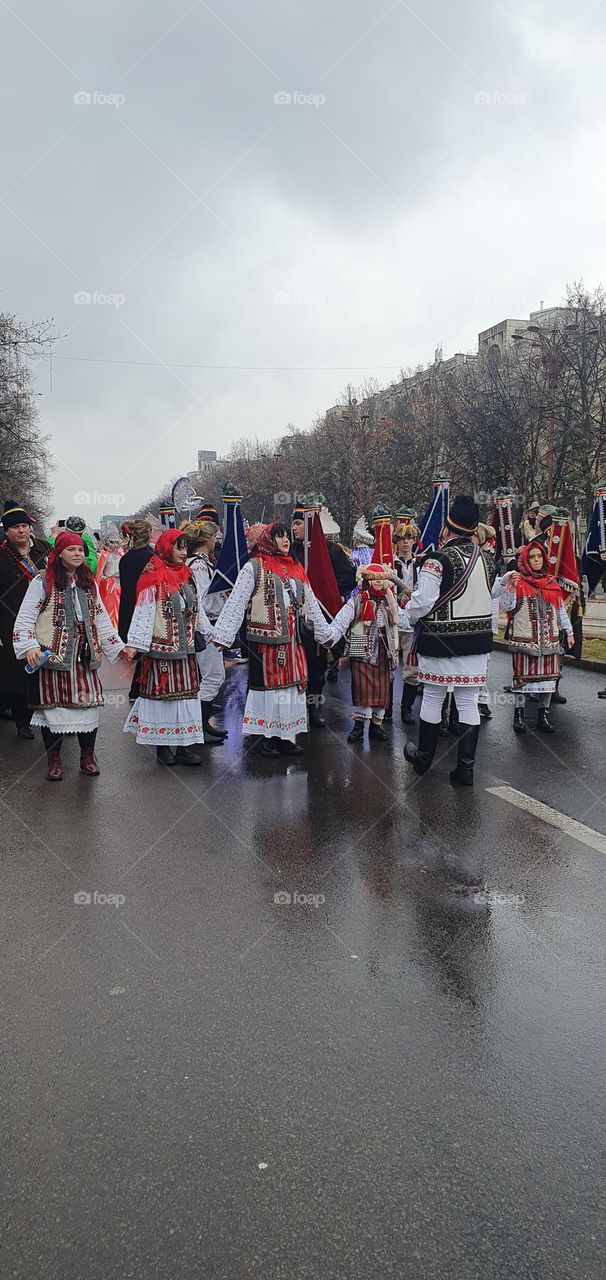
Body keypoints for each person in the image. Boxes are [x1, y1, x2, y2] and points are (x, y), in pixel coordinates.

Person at [13, 530, 134, 780]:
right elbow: (26, 617)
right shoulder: (42, 581)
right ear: (59, 554)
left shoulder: (88, 581)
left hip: (84, 654)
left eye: (80, 549)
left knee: (88, 708)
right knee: (53, 710)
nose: (78, 553)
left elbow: (100, 616)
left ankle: (87, 757)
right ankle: (54, 761)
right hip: (54, 655)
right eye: (71, 549)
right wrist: (30, 647)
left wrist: (117, 647)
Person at [211, 522, 332, 758]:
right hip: (266, 641)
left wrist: (325, 633)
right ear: (268, 540)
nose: (285, 540)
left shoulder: (296, 568)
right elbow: (237, 601)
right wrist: (223, 635)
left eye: (287, 535)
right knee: (269, 688)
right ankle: (267, 737)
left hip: (293, 639)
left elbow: (311, 603)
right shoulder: (254, 567)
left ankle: (285, 736)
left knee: (292, 687)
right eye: (279, 536)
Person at [401, 495, 496, 787]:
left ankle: (423, 759)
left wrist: (408, 612)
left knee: (433, 696)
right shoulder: (487, 560)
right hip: (478, 644)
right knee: (468, 701)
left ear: (448, 525)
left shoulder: (437, 561)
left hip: (441, 642)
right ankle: (465, 770)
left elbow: (422, 603)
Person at [123, 529, 213, 767]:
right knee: (163, 700)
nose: (184, 553)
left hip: (186, 649)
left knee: (186, 699)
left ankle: (184, 746)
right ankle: (163, 748)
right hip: (162, 649)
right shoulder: (152, 574)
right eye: (179, 547)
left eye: (186, 548)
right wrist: (135, 643)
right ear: (166, 547)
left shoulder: (187, 574)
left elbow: (197, 607)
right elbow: (143, 611)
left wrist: (211, 632)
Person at [498, 540, 574, 734]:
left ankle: (543, 716)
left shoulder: (551, 582)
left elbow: (560, 609)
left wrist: (569, 631)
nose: (536, 560)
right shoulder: (519, 582)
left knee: (548, 681)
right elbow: (507, 606)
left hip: (549, 639)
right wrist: (509, 585)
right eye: (532, 557)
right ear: (526, 560)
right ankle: (519, 715)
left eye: (539, 556)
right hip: (525, 640)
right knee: (522, 681)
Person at [321, 563, 400, 743]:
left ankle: (376, 727)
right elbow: (342, 620)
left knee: (382, 689)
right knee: (362, 688)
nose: (378, 582)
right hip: (361, 645)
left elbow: (401, 620)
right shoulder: (357, 600)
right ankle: (358, 727)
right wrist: (330, 634)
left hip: (385, 648)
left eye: (381, 579)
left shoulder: (389, 600)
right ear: (366, 580)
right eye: (374, 579)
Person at [290, 504, 355, 721]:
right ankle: (295, 708)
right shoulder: (290, 551)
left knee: (317, 663)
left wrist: (329, 591)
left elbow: (349, 576)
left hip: (320, 616)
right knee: (297, 662)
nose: (294, 528)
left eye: (298, 523)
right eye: (293, 523)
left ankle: (314, 706)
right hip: (295, 617)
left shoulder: (332, 550)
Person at [0, 499, 50, 738]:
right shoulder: (2, 555)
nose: (21, 530)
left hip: (44, 620)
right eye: (15, 527)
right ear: (6, 531)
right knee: (18, 672)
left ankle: (55, 717)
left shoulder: (43, 549)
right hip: (10, 621)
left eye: (24, 525)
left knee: (46, 668)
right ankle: (22, 722)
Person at [184, 519, 228, 743]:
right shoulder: (199, 565)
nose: (217, 541)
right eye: (215, 537)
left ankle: (201, 723)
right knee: (213, 676)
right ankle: (198, 725)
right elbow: (200, 600)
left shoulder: (202, 562)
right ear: (207, 539)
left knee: (209, 675)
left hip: (209, 623)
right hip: (206, 624)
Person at [118, 520, 155, 702]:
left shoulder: (125, 558)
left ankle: (138, 688)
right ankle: (138, 688)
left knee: (139, 651)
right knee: (147, 651)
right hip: (143, 606)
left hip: (127, 605)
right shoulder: (150, 556)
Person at [393, 522, 420, 724]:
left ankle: (406, 709)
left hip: (412, 624)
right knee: (388, 667)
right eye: (402, 539)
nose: (405, 542)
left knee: (412, 670)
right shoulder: (390, 564)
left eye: (409, 538)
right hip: (392, 623)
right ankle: (384, 711)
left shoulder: (421, 565)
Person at [95, 523, 122, 628]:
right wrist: (107, 581)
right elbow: (99, 574)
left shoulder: (121, 554)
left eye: (116, 542)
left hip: (120, 584)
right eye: (112, 542)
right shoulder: (104, 556)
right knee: (111, 608)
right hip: (110, 586)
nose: (115, 545)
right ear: (107, 542)